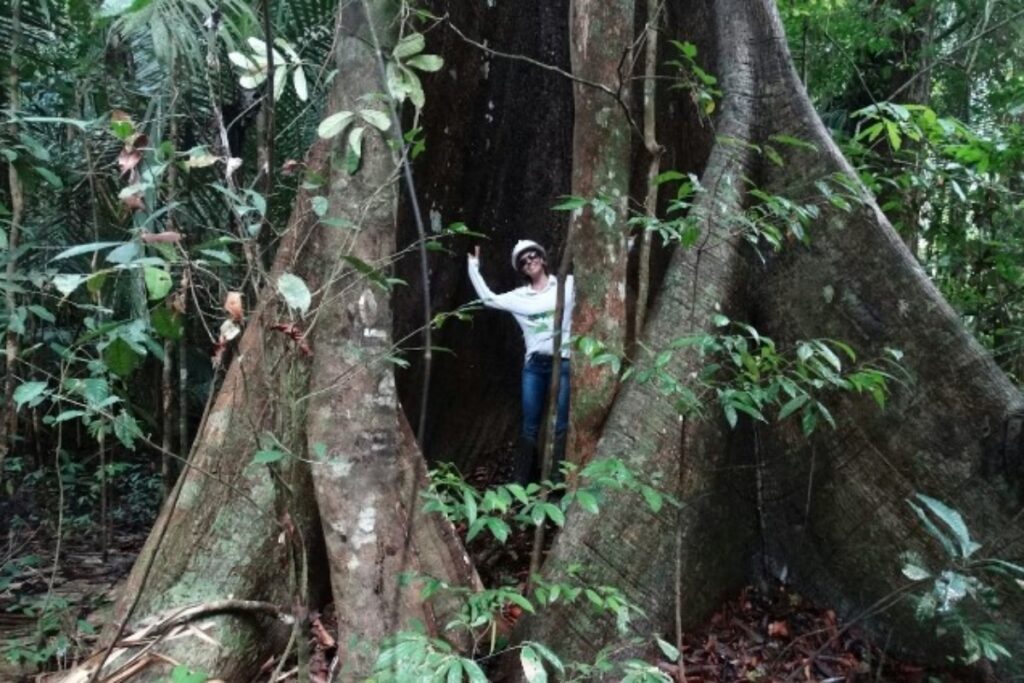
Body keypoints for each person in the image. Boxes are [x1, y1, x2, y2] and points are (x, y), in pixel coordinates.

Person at [467, 240, 574, 485]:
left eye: (533, 255)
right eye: (524, 261)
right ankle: (520, 483)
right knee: (529, 426)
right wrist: (474, 267)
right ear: (522, 269)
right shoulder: (519, 297)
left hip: (564, 362)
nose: (529, 261)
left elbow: (598, 281)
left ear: (543, 259)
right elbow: (489, 300)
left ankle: (557, 483)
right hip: (535, 367)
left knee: (561, 425)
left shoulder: (566, 285)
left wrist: (626, 246)